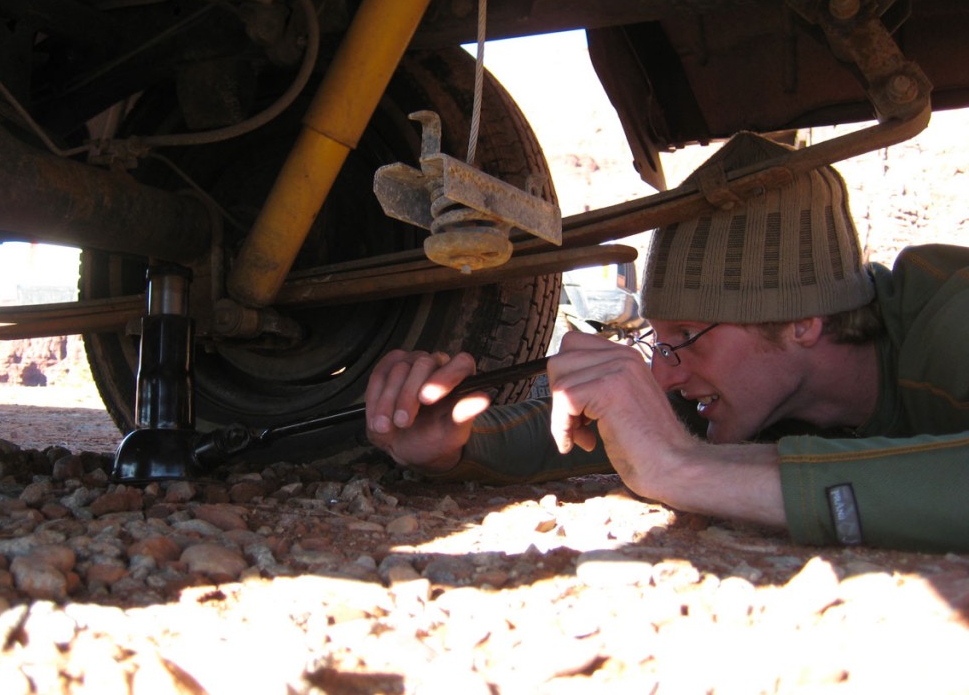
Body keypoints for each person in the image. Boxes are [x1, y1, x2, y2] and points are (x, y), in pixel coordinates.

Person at [364, 132, 969, 553]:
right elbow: (585, 442)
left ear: (801, 322)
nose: (664, 374)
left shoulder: (950, 320)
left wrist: (688, 469)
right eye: (659, 338)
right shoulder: (753, 386)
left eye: (685, 337)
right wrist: (453, 440)